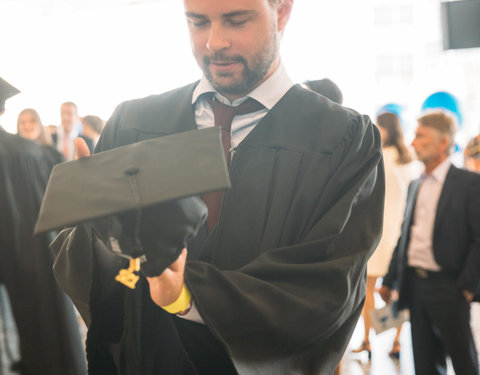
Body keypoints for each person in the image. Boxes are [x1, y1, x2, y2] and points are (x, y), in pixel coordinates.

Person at [52, 0, 385, 373]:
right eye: (198, 23)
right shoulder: (134, 124)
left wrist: (187, 294)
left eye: (236, 20)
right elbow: (78, 261)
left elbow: (327, 286)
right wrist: (99, 230)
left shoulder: (343, 139)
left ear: (283, 12)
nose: (214, 42)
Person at [379, 111, 480, 375]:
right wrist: (390, 279)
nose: (413, 143)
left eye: (421, 136)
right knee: (425, 364)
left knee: (464, 363)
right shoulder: (415, 184)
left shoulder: (469, 184)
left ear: (443, 142)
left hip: (451, 287)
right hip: (416, 286)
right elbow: (405, 236)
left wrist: (466, 286)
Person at [0, 78, 87, 374]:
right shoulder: (35, 155)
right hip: (32, 251)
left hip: (30, 247)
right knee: (46, 325)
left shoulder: (35, 153)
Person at [353, 111, 420, 359]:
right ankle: (396, 341)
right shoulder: (409, 159)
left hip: (377, 228)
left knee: (367, 288)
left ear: (385, 129)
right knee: (397, 290)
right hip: (401, 231)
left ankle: (367, 339)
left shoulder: (376, 155)